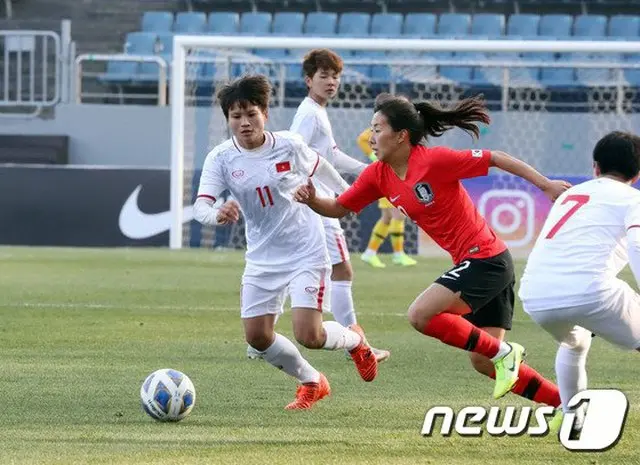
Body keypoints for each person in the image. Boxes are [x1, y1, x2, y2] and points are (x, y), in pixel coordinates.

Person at [294, 92, 569, 403]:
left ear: (401, 136)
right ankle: (566, 404)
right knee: (483, 361)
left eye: (377, 129)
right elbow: (339, 207)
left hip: (487, 259)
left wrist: (545, 184)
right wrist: (312, 198)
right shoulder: (377, 175)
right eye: (371, 128)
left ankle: (507, 352)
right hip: (478, 264)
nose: (371, 137)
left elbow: (495, 157)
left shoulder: (435, 160)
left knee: (420, 315)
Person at [194, 75, 378, 410]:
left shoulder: (289, 145)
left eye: (251, 113)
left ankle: (355, 341)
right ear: (228, 120)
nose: (244, 122)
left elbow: (321, 167)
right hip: (262, 258)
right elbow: (201, 206)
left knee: (310, 335)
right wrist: (217, 214)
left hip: (305, 251)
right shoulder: (220, 158)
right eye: (236, 116)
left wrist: (345, 199)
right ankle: (312, 382)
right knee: (257, 338)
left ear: (264, 112)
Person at [519, 131, 640, 433]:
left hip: (535, 296)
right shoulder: (633, 199)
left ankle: (574, 419)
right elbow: (638, 245)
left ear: (595, 167)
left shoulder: (571, 195)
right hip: (590, 291)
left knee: (576, 342)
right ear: (637, 175)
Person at [289, 48, 390, 362]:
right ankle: (357, 345)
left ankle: (260, 339)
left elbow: (329, 156)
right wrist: (300, 191)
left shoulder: (317, 111)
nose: (331, 82)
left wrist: (368, 171)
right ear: (309, 80)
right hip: (316, 204)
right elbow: (294, 150)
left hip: (316, 201)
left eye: (335, 76)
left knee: (299, 269)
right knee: (342, 270)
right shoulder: (309, 114)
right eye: (324, 76)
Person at [357, 127, 418, 268]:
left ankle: (370, 252)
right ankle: (398, 254)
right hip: (388, 174)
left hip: (393, 173)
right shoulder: (385, 123)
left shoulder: (398, 127)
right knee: (399, 215)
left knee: (387, 217)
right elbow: (362, 139)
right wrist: (373, 155)